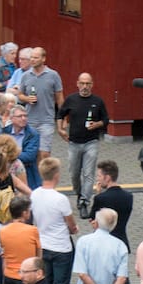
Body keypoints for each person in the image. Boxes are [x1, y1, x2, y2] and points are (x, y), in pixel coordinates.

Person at [29, 155, 78, 284]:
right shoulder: (60, 199)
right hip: (61, 248)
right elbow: (71, 225)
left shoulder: (34, 194)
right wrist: (74, 229)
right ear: (56, 175)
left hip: (43, 245)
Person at [57, 71, 108, 213]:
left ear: (92, 85)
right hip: (73, 142)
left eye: (88, 83)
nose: (85, 86)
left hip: (91, 142)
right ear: (78, 84)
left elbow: (105, 120)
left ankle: (85, 201)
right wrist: (60, 130)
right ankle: (79, 194)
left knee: (88, 173)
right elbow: (60, 114)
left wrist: (96, 125)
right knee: (74, 173)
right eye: (82, 83)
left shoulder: (98, 101)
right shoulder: (71, 99)